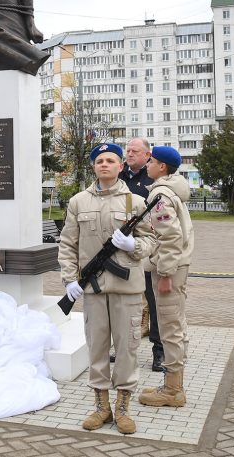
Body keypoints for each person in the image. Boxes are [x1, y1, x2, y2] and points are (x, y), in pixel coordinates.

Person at [58, 143, 155, 435]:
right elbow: (67, 244)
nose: (104, 164)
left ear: (121, 166)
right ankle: (102, 407)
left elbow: (152, 242)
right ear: (93, 166)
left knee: (127, 349)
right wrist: (70, 279)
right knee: (97, 348)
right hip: (93, 290)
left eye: (110, 160)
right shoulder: (78, 202)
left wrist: (133, 245)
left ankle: (123, 408)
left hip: (127, 290)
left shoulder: (135, 202)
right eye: (99, 160)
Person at [139, 146, 194, 408]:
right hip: (177, 267)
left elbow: (170, 237)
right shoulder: (173, 190)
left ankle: (172, 391)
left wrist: (164, 273)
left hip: (169, 269)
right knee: (176, 325)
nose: (147, 164)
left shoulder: (160, 195)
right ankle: (174, 385)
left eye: (151, 160)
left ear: (162, 167)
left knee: (169, 326)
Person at [119, 137, 165, 373]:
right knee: (124, 303)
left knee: (155, 303)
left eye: (135, 151)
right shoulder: (119, 177)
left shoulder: (155, 179)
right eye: (127, 150)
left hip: (148, 249)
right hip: (121, 249)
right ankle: (123, 349)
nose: (129, 154)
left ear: (148, 155)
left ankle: (159, 352)